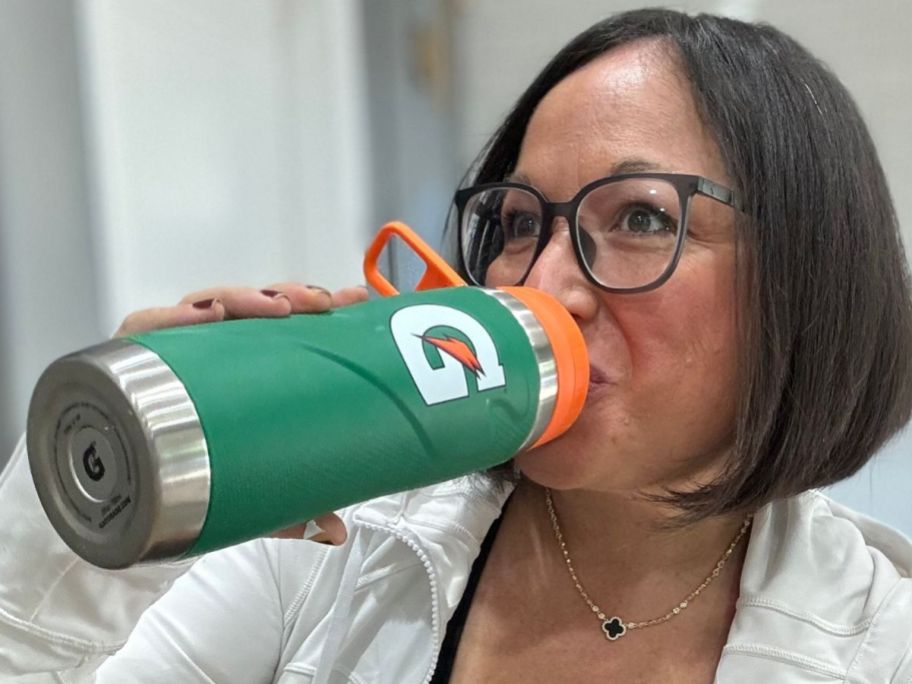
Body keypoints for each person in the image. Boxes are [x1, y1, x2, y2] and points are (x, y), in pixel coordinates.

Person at [2, 8, 911, 683]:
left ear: (808, 278)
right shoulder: (336, 535)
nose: (545, 285)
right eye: (519, 223)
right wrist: (70, 539)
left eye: (639, 218)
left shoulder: (880, 645)